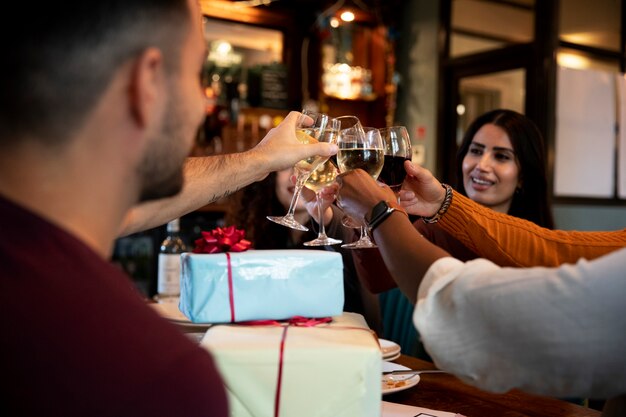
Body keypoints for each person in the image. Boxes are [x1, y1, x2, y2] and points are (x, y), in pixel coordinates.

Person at [0, 1, 336, 416]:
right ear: (148, 83)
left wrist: (257, 160)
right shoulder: (158, 380)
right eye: (197, 75)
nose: (203, 104)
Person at [335, 163, 626, 414]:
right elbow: (555, 247)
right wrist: (444, 205)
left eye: (501, 156)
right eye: (476, 150)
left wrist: (381, 213)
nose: (483, 165)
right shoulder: (439, 228)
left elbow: (476, 310)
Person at [225, 167, 382, 333]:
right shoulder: (261, 235)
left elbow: (353, 253)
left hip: (343, 342)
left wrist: (324, 216)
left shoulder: (350, 229)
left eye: (309, 165)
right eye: (286, 166)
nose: (297, 174)